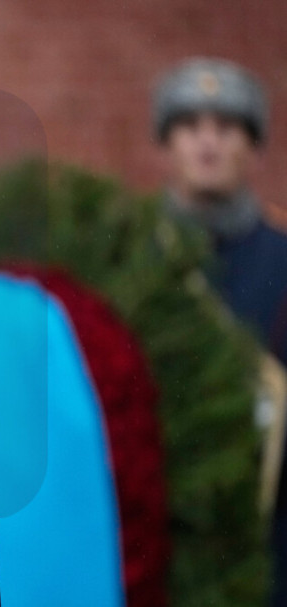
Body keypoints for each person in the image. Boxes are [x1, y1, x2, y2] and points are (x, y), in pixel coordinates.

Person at [153, 56, 287, 604]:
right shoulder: (136, 255)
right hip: (161, 520)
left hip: (268, 530)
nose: (207, 142)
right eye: (190, 126)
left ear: (253, 147)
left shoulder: (281, 259)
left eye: (227, 127)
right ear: (167, 144)